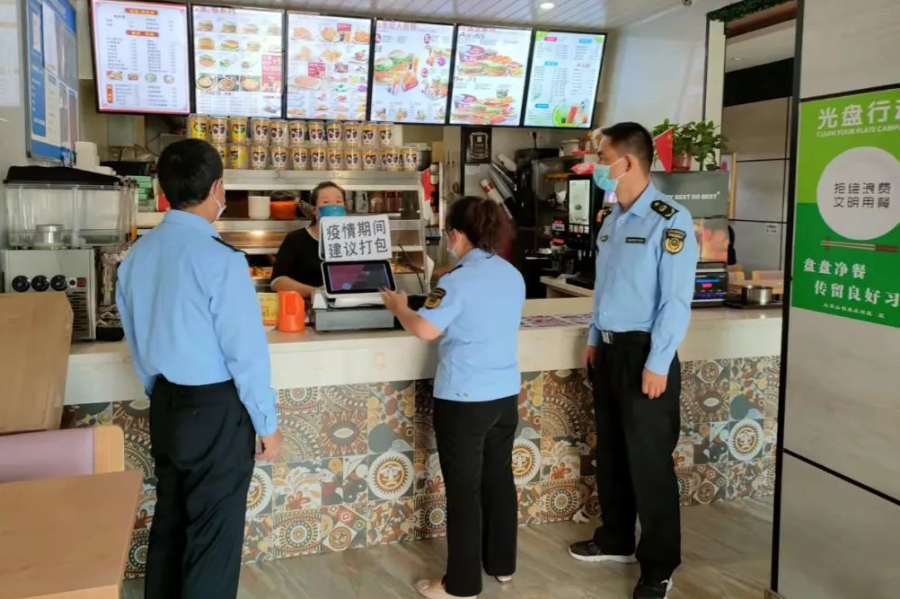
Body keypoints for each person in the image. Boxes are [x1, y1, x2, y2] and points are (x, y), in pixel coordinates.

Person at [116, 139, 282, 599]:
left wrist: (161, 392)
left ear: (163, 190)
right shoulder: (221, 259)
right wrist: (267, 423)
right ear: (217, 188)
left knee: (171, 522)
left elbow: (136, 337)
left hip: (167, 403)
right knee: (213, 537)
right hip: (215, 410)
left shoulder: (137, 255)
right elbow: (245, 353)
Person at [569, 123, 698, 599]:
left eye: (602, 157)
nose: (597, 165)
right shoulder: (613, 219)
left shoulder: (670, 219)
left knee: (649, 462)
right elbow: (605, 288)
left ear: (627, 162)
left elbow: (676, 301)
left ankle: (659, 564)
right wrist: (594, 337)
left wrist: (659, 361)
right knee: (613, 453)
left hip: (646, 353)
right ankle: (617, 538)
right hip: (609, 350)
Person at [381, 196, 526, 599]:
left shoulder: (457, 281)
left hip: (465, 398)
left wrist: (398, 307)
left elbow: (425, 329)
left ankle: (460, 585)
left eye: (449, 234)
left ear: (458, 235)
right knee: (499, 478)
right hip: (504, 394)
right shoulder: (511, 273)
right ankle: (501, 565)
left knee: (464, 490)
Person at [271, 181, 347, 297]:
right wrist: (315, 292)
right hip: (306, 305)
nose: (334, 206)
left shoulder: (354, 240)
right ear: (314, 209)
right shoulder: (295, 239)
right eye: (326, 202)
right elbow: (277, 281)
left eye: (338, 201)